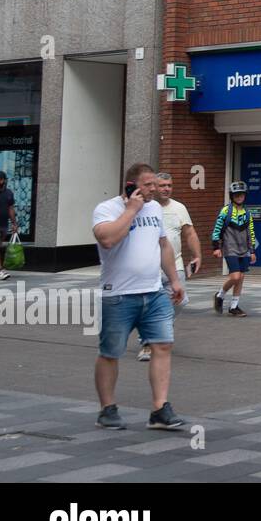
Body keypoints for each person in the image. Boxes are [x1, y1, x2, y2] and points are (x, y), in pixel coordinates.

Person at [91, 162, 186, 430]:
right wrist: (132, 210)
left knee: (163, 345)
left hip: (154, 292)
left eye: (156, 184)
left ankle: (160, 408)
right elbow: (107, 239)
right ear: (131, 186)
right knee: (111, 352)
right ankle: (107, 409)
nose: (155, 190)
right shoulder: (107, 209)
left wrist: (175, 280)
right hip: (119, 295)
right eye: (149, 185)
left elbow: (163, 244)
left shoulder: (155, 208)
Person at [137, 173, 202, 362]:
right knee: (150, 307)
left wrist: (197, 255)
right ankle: (148, 345)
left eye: (170, 185)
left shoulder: (179, 208)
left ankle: (159, 329)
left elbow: (189, 233)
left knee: (180, 302)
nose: (166, 189)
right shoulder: (144, 208)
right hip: (149, 268)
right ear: (154, 187)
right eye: (163, 185)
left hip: (176, 265)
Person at [212, 181, 257, 318]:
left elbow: (251, 232)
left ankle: (234, 307)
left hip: (244, 249)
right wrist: (216, 247)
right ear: (232, 196)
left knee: (241, 277)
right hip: (230, 248)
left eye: (241, 194)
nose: (239, 197)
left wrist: (252, 250)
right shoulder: (226, 211)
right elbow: (217, 229)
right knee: (235, 276)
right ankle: (220, 295)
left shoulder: (247, 213)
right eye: (236, 195)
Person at [0, 171, 16, 281]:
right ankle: (0, 270)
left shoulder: (9, 193)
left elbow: (11, 209)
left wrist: (14, 223)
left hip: (3, 225)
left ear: (4, 180)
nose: (0, 181)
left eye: (1, 179)